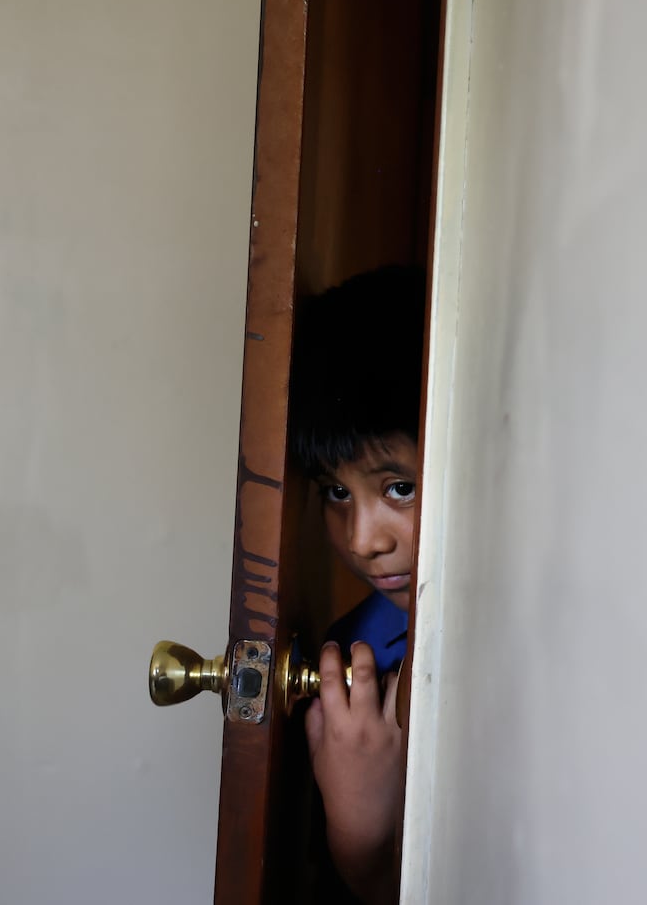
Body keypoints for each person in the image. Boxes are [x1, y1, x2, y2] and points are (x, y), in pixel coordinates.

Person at [288, 265, 425, 905]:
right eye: (337, 493)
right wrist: (357, 841)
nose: (362, 539)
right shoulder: (349, 659)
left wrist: (365, 852)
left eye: (399, 487)